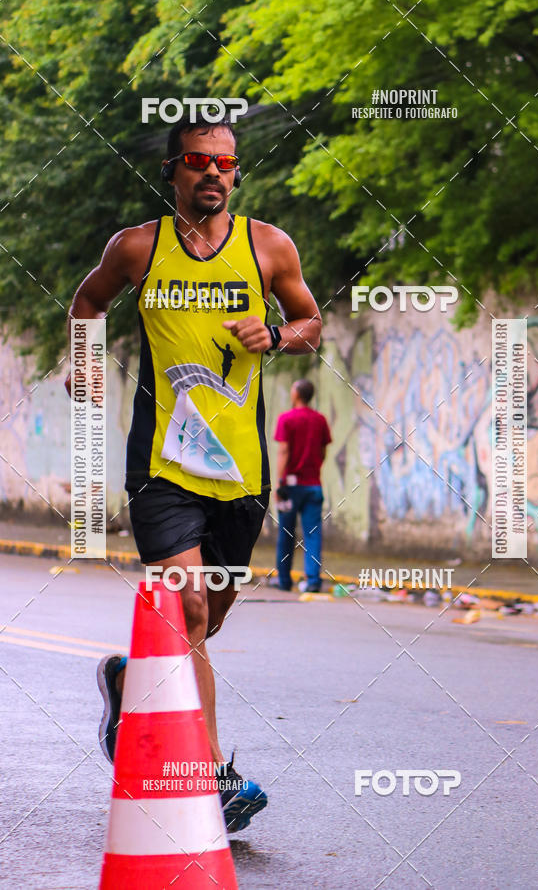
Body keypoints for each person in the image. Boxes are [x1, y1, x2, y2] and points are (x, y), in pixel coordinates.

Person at [65, 115, 321, 832]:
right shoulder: (137, 248)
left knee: (205, 624)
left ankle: (127, 682)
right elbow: (88, 301)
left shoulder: (268, 247)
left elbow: (311, 323)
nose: (214, 173)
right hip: (162, 467)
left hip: (242, 472)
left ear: (236, 172)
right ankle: (211, 775)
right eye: (199, 162)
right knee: (192, 613)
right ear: (174, 169)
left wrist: (275, 335)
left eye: (226, 163)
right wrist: (84, 358)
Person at [274, 379, 331, 592]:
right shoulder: (320, 420)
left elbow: (284, 451)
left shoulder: (286, 419)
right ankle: (313, 581)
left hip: (290, 487)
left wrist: (281, 482)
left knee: (286, 534)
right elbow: (323, 452)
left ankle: (284, 580)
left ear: (296, 394)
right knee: (313, 533)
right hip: (313, 486)